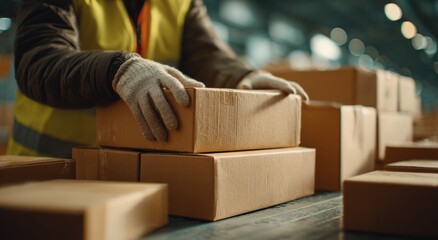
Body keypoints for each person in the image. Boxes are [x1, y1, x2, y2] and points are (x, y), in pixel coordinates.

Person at [7, 0, 308, 158]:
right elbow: (39, 61)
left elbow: (206, 54)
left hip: (125, 170)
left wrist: (243, 76)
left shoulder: (180, 2)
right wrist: (118, 69)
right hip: (48, 168)